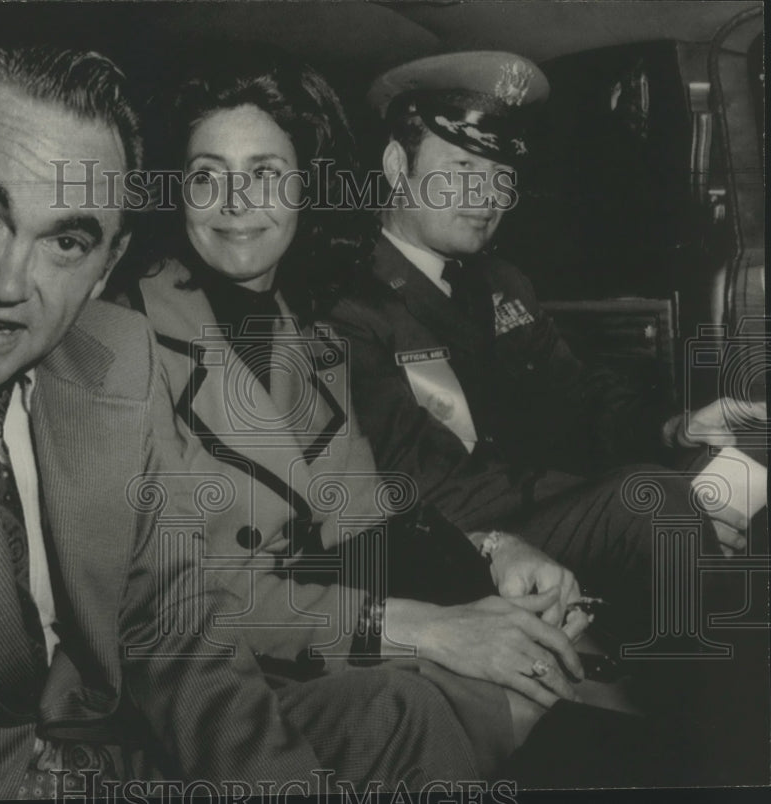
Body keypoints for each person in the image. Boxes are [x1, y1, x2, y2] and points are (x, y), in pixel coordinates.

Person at [0, 44, 466, 801]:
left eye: (66, 242)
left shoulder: (116, 349)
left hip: (121, 747)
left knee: (413, 720)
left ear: (106, 263)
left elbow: (177, 628)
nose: (9, 284)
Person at [113, 47, 677, 786]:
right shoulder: (123, 340)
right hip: (200, 678)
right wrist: (423, 628)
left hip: (307, 634)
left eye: (264, 175)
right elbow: (174, 607)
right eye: (206, 176)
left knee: (576, 701)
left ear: (306, 187)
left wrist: (495, 553)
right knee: (422, 713)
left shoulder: (304, 340)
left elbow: (365, 524)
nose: (235, 203)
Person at [325, 51, 768, 783]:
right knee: (648, 503)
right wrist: (636, 486)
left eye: (502, 176)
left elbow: (581, 392)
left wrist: (678, 431)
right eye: (464, 170)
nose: (489, 194)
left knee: (743, 468)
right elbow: (419, 484)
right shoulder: (347, 302)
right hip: (442, 542)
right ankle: (736, 754)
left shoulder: (501, 283)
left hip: (530, 509)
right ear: (395, 165)